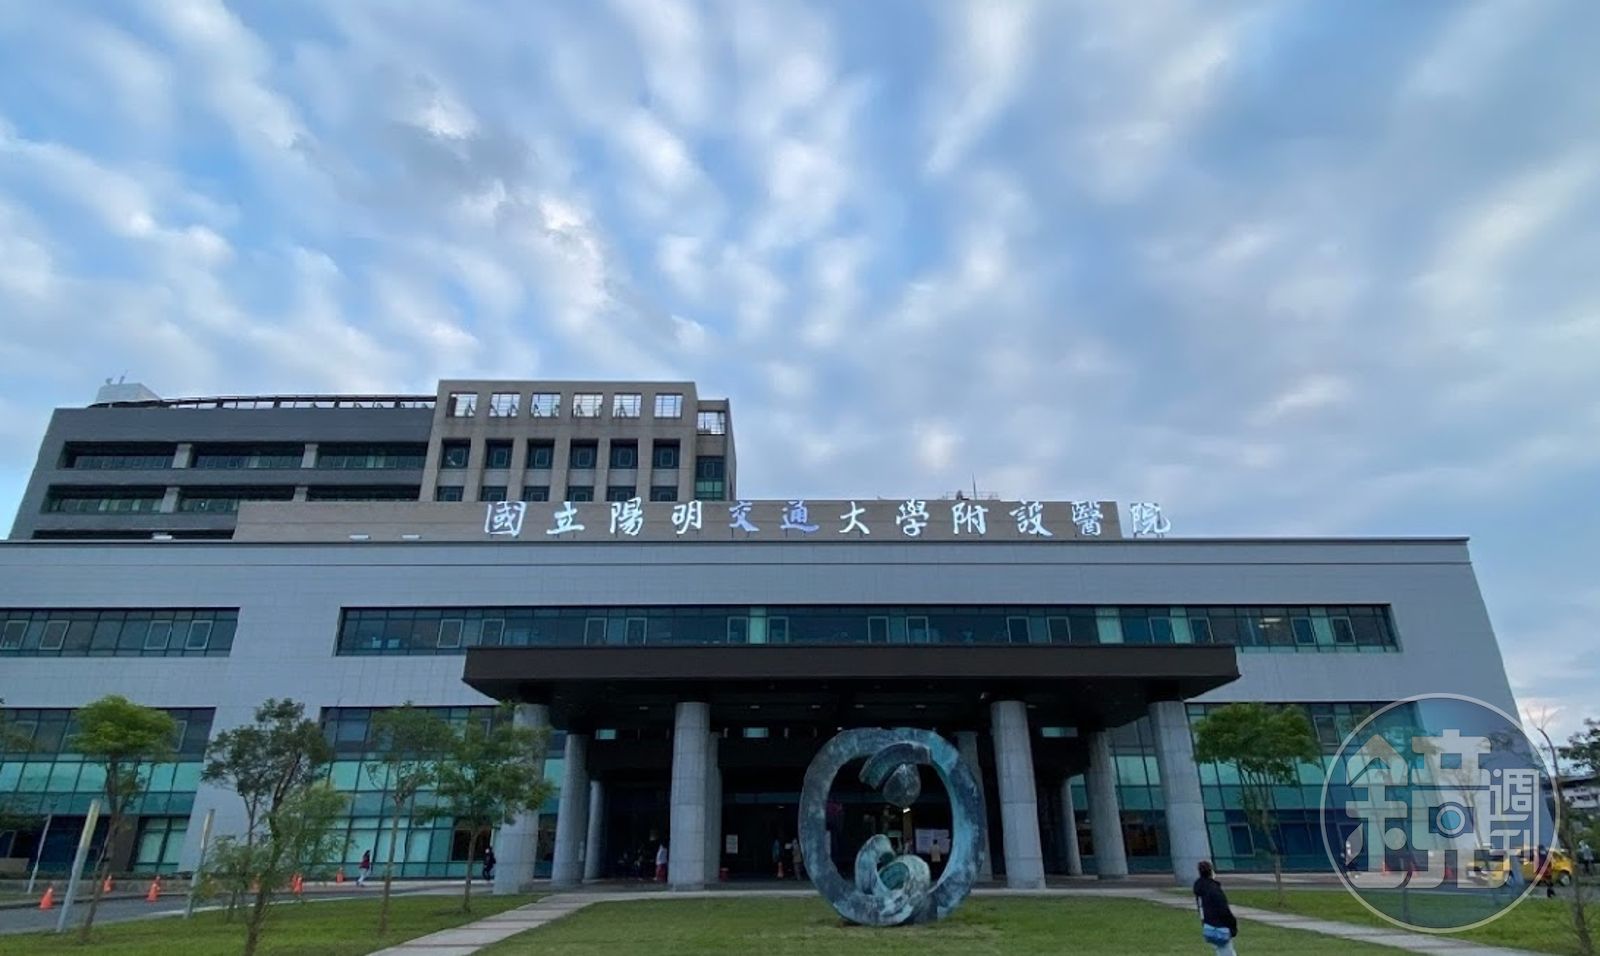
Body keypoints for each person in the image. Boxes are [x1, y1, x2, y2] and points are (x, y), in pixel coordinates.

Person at [1193, 860, 1239, 955]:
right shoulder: (1214, 890)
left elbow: (1201, 908)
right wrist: (1233, 925)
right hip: (1221, 926)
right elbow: (1224, 910)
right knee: (1226, 951)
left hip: (1209, 925)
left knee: (1220, 950)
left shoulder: (1200, 889)